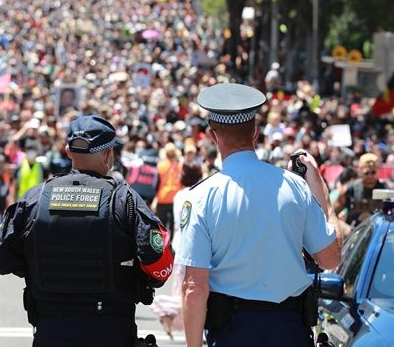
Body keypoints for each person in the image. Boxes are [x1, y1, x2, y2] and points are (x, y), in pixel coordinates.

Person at [176, 83, 342, 347]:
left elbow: (194, 286)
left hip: (233, 333)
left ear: (213, 135)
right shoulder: (295, 186)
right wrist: (323, 197)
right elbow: (331, 258)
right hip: (290, 330)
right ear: (255, 132)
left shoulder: (200, 197)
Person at [0, 115, 175, 347]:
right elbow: (160, 264)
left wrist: (35, 265)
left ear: (68, 152)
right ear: (108, 155)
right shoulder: (124, 200)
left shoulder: (36, 197)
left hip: (50, 330)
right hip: (110, 330)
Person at [151, 162, 202, 339]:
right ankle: (169, 312)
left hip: (179, 242)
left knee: (181, 288)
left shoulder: (179, 195)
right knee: (193, 289)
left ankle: (172, 316)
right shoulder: (198, 193)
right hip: (193, 244)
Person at [333, 152, 387, 229]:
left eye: (373, 172)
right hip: (354, 233)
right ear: (360, 170)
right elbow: (332, 215)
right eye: (366, 173)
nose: (370, 176)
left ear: (378, 171)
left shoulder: (385, 190)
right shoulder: (349, 189)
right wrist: (344, 228)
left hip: (377, 233)